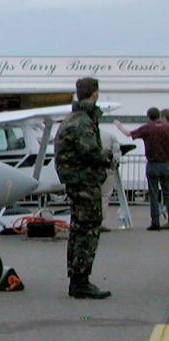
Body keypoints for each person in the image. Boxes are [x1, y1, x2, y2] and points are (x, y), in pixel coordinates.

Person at [55, 77, 115, 298]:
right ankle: (81, 280)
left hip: (76, 180)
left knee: (78, 229)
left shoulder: (73, 118)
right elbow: (89, 152)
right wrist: (108, 158)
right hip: (84, 181)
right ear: (95, 93)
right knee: (88, 230)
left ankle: (77, 279)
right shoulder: (83, 121)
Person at [131, 106, 169, 230]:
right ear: (159, 115)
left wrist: (119, 126)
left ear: (149, 116)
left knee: (153, 194)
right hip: (166, 164)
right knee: (167, 193)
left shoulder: (147, 128)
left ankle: (155, 222)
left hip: (152, 164)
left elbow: (129, 134)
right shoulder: (167, 128)